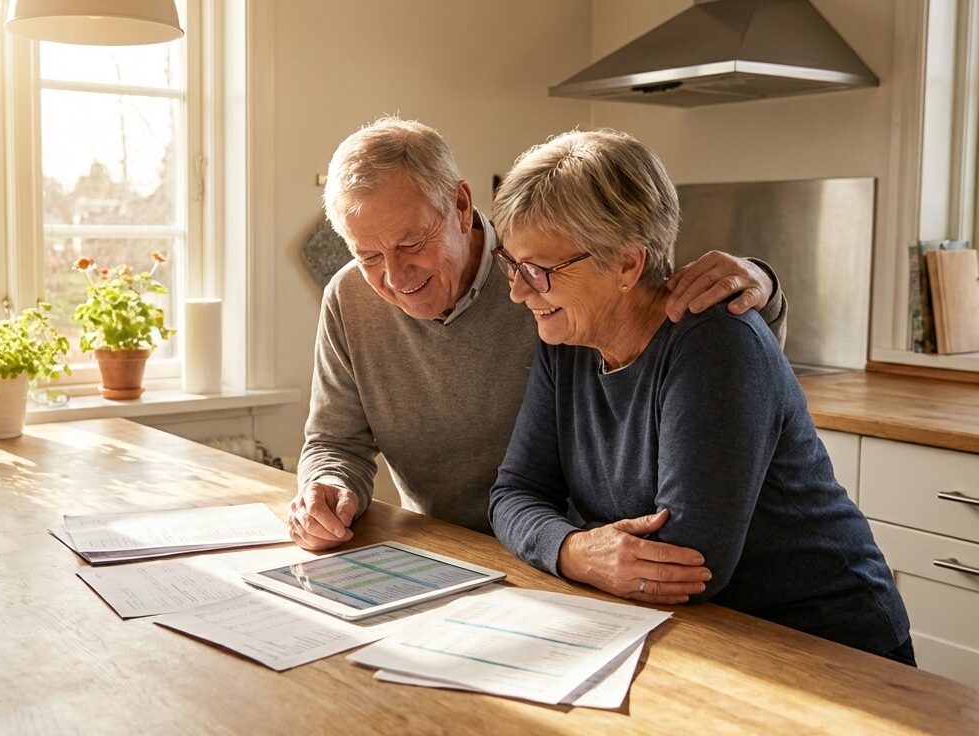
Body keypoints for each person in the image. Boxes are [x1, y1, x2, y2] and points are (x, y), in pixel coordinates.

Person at [487, 129, 912, 663]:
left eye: (539, 271)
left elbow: (687, 562)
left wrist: (569, 539)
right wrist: (572, 549)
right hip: (699, 637)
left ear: (626, 264)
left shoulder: (714, 340)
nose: (518, 290)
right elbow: (513, 493)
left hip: (822, 643)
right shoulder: (566, 340)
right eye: (512, 262)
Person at [290, 117, 788, 552]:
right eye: (369, 256)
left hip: (575, 557)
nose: (394, 277)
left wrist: (760, 289)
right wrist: (327, 486)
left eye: (411, 242)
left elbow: (677, 317)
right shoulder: (351, 298)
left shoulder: (554, 286)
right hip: (456, 547)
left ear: (461, 205)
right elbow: (335, 442)